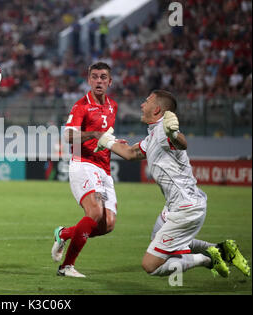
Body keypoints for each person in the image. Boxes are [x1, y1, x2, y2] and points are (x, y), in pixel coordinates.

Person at [94, 89, 251, 278]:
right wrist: (107, 141)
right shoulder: (153, 135)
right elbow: (131, 153)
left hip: (186, 209)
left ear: (157, 109)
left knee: (151, 265)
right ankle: (223, 249)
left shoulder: (164, 131)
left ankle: (209, 258)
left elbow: (181, 143)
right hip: (176, 205)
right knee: (158, 240)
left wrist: (174, 133)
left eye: (146, 101)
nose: (142, 105)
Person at [51, 62, 119, 277]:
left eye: (103, 77)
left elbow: (106, 138)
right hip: (84, 164)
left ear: (110, 81)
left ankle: (64, 233)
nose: (99, 81)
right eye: (95, 77)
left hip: (104, 170)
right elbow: (68, 135)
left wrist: (115, 143)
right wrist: (94, 134)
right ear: (89, 80)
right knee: (96, 212)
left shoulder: (113, 106)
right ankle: (66, 267)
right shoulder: (81, 106)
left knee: (107, 224)